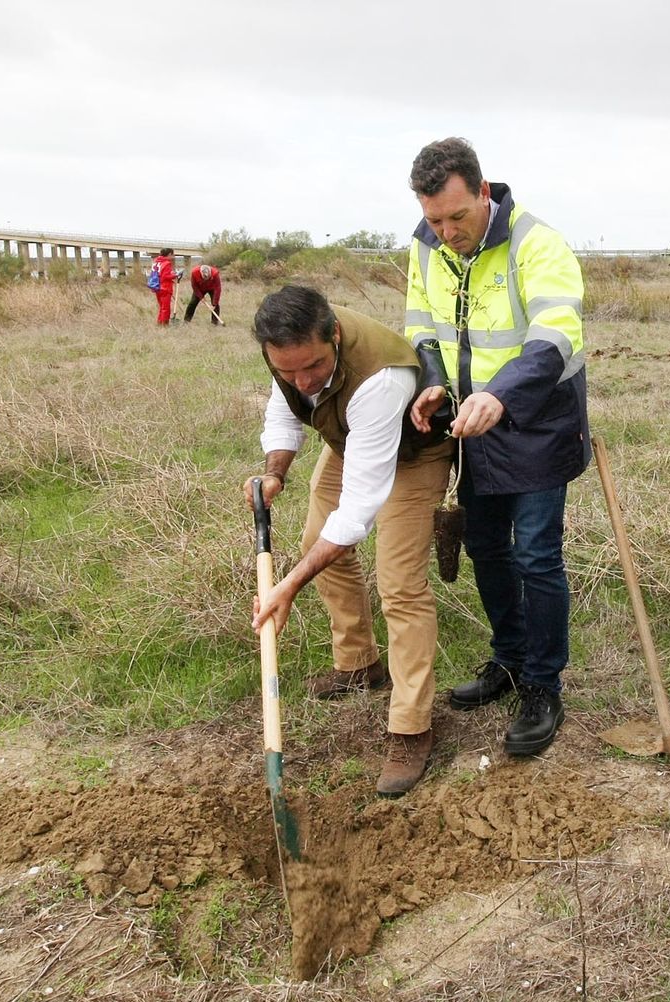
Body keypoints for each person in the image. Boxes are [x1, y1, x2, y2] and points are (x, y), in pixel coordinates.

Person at [404, 136, 588, 758]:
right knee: (484, 546)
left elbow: (555, 333)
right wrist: (433, 385)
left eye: (458, 216)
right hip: (471, 424)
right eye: (435, 219)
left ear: (484, 192)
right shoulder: (425, 246)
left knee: (536, 553)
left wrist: (501, 395)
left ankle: (542, 683)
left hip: (535, 419)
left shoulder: (538, 243)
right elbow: (421, 324)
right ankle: (508, 659)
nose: (447, 231)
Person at [246, 285, 452, 796]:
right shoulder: (289, 355)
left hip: (413, 450)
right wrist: (276, 472)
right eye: (288, 370)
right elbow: (282, 410)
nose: (303, 380)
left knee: (399, 584)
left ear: (334, 335)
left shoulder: (378, 379)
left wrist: (288, 586)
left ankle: (411, 726)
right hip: (351, 440)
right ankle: (360, 665)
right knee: (318, 539)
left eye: (313, 367)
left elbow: (358, 510)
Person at [150, 247, 177, 325]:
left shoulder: (156, 262)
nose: (173, 256)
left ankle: (159, 323)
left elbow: (158, 275)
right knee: (166, 308)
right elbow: (165, 276)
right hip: (165, 288)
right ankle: (164, 324)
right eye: (172, 254)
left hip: (156, 287)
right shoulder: (167, 263)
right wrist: (175, 275)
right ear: (169, 254)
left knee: (162, 307)